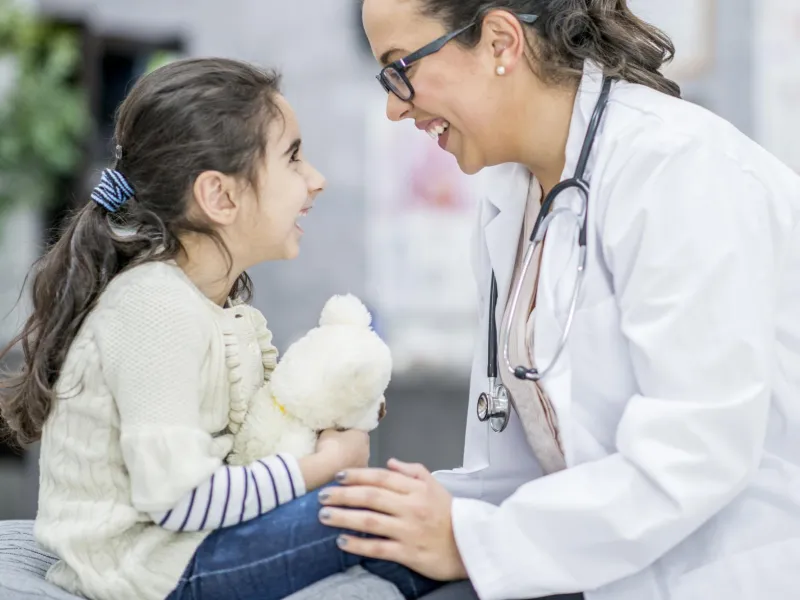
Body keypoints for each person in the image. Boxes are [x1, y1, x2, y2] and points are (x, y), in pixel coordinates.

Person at [315, 1, 800, 600]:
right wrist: (406, 509)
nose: (394, 106)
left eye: (400, 68)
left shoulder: (676, 168)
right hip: (598, 572)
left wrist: (473, 540)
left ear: (499, 42)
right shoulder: (510, 195)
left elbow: (696, 451)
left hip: (724, 573)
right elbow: (520, 472)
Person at [0, 57, 446, 600]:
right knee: (376, 520)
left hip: (181, 552)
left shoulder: (219, 306)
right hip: (146, 572)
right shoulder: (153, 309)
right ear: (220, 196)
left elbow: (252, 439)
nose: (317, 179)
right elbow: (179, 500)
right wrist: (323, 466)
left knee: (403, 508)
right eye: (294, 157)